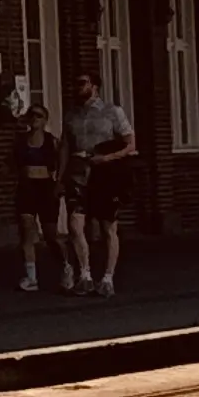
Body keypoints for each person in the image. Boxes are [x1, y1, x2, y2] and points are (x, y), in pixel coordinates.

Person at [65, 69, 137, 297]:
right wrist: (60, 176)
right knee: (74, 225)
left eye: (82, 83)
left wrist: (106, 158)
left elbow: (130, 144)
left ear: (94, 86)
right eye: (76, 83)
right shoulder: (71, 115)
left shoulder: (112, 111)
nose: (77, 87)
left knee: (108, 227)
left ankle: (107, 278)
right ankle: (84, 275)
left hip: (104, 176)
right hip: (78, 175)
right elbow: (65, 146)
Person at [16, 105, 67, 292]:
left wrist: (59, 182)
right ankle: (31, 277)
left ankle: (66, 266)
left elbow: (62, 161)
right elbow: (12, 162)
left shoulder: (52, 141)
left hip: (45, 187)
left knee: (50, 235)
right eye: (32, 115)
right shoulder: (21, 141)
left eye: (39, 115)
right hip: (26, 187)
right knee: (27, 229)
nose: (34, 118)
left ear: (45, 120)